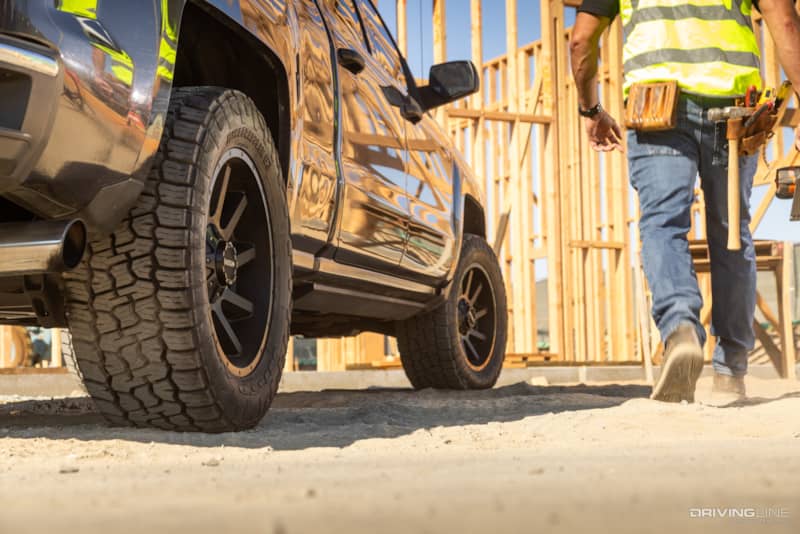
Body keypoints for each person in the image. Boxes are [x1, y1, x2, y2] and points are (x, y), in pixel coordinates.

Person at [570, 0, 800, 404]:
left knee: (662, 223)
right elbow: (783, 21)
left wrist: (590, 107)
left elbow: (582, 40)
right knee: (731, 232)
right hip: (734, 109)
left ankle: (680, 331)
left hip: (656, 105)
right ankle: (731, 368)